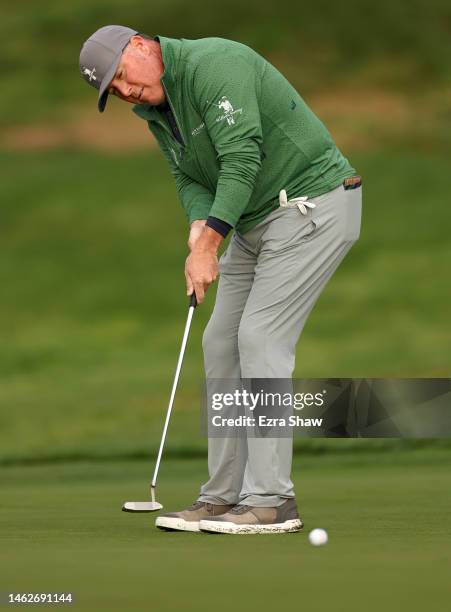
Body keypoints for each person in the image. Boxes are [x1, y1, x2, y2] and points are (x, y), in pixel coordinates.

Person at [79, 25, 362, 534]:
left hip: (312, 203)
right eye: (112, 92)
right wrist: (197, 224)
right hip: (254, 223)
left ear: (140, 47)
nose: (124, 92)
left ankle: (272, 501)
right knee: (220, 342)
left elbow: (241, 157)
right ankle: (221, 497)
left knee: (261, 337)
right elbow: (188, 175)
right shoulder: (155, 111)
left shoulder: (217, 64)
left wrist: (211, 241)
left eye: (121, 77)